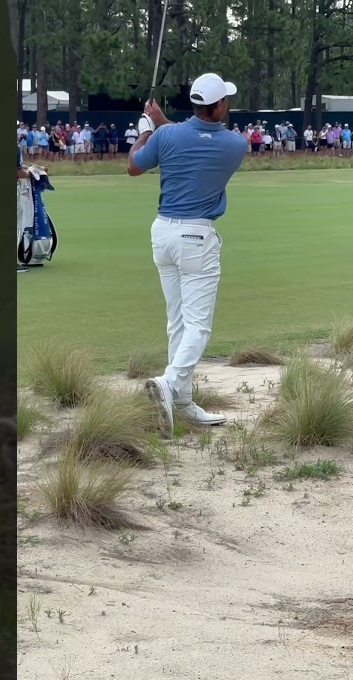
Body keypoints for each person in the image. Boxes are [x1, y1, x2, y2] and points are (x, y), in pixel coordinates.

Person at [125, 72, 246, 431]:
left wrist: (146, 128)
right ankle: (169, 383)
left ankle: (181, 401)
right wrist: (160, 125)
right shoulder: (235, 144)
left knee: (177, 322)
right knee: (198, 327)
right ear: (219, 105)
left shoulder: (167, 135)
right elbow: (195, 136)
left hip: (163, 233)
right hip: (198, 236)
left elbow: (134, 165)